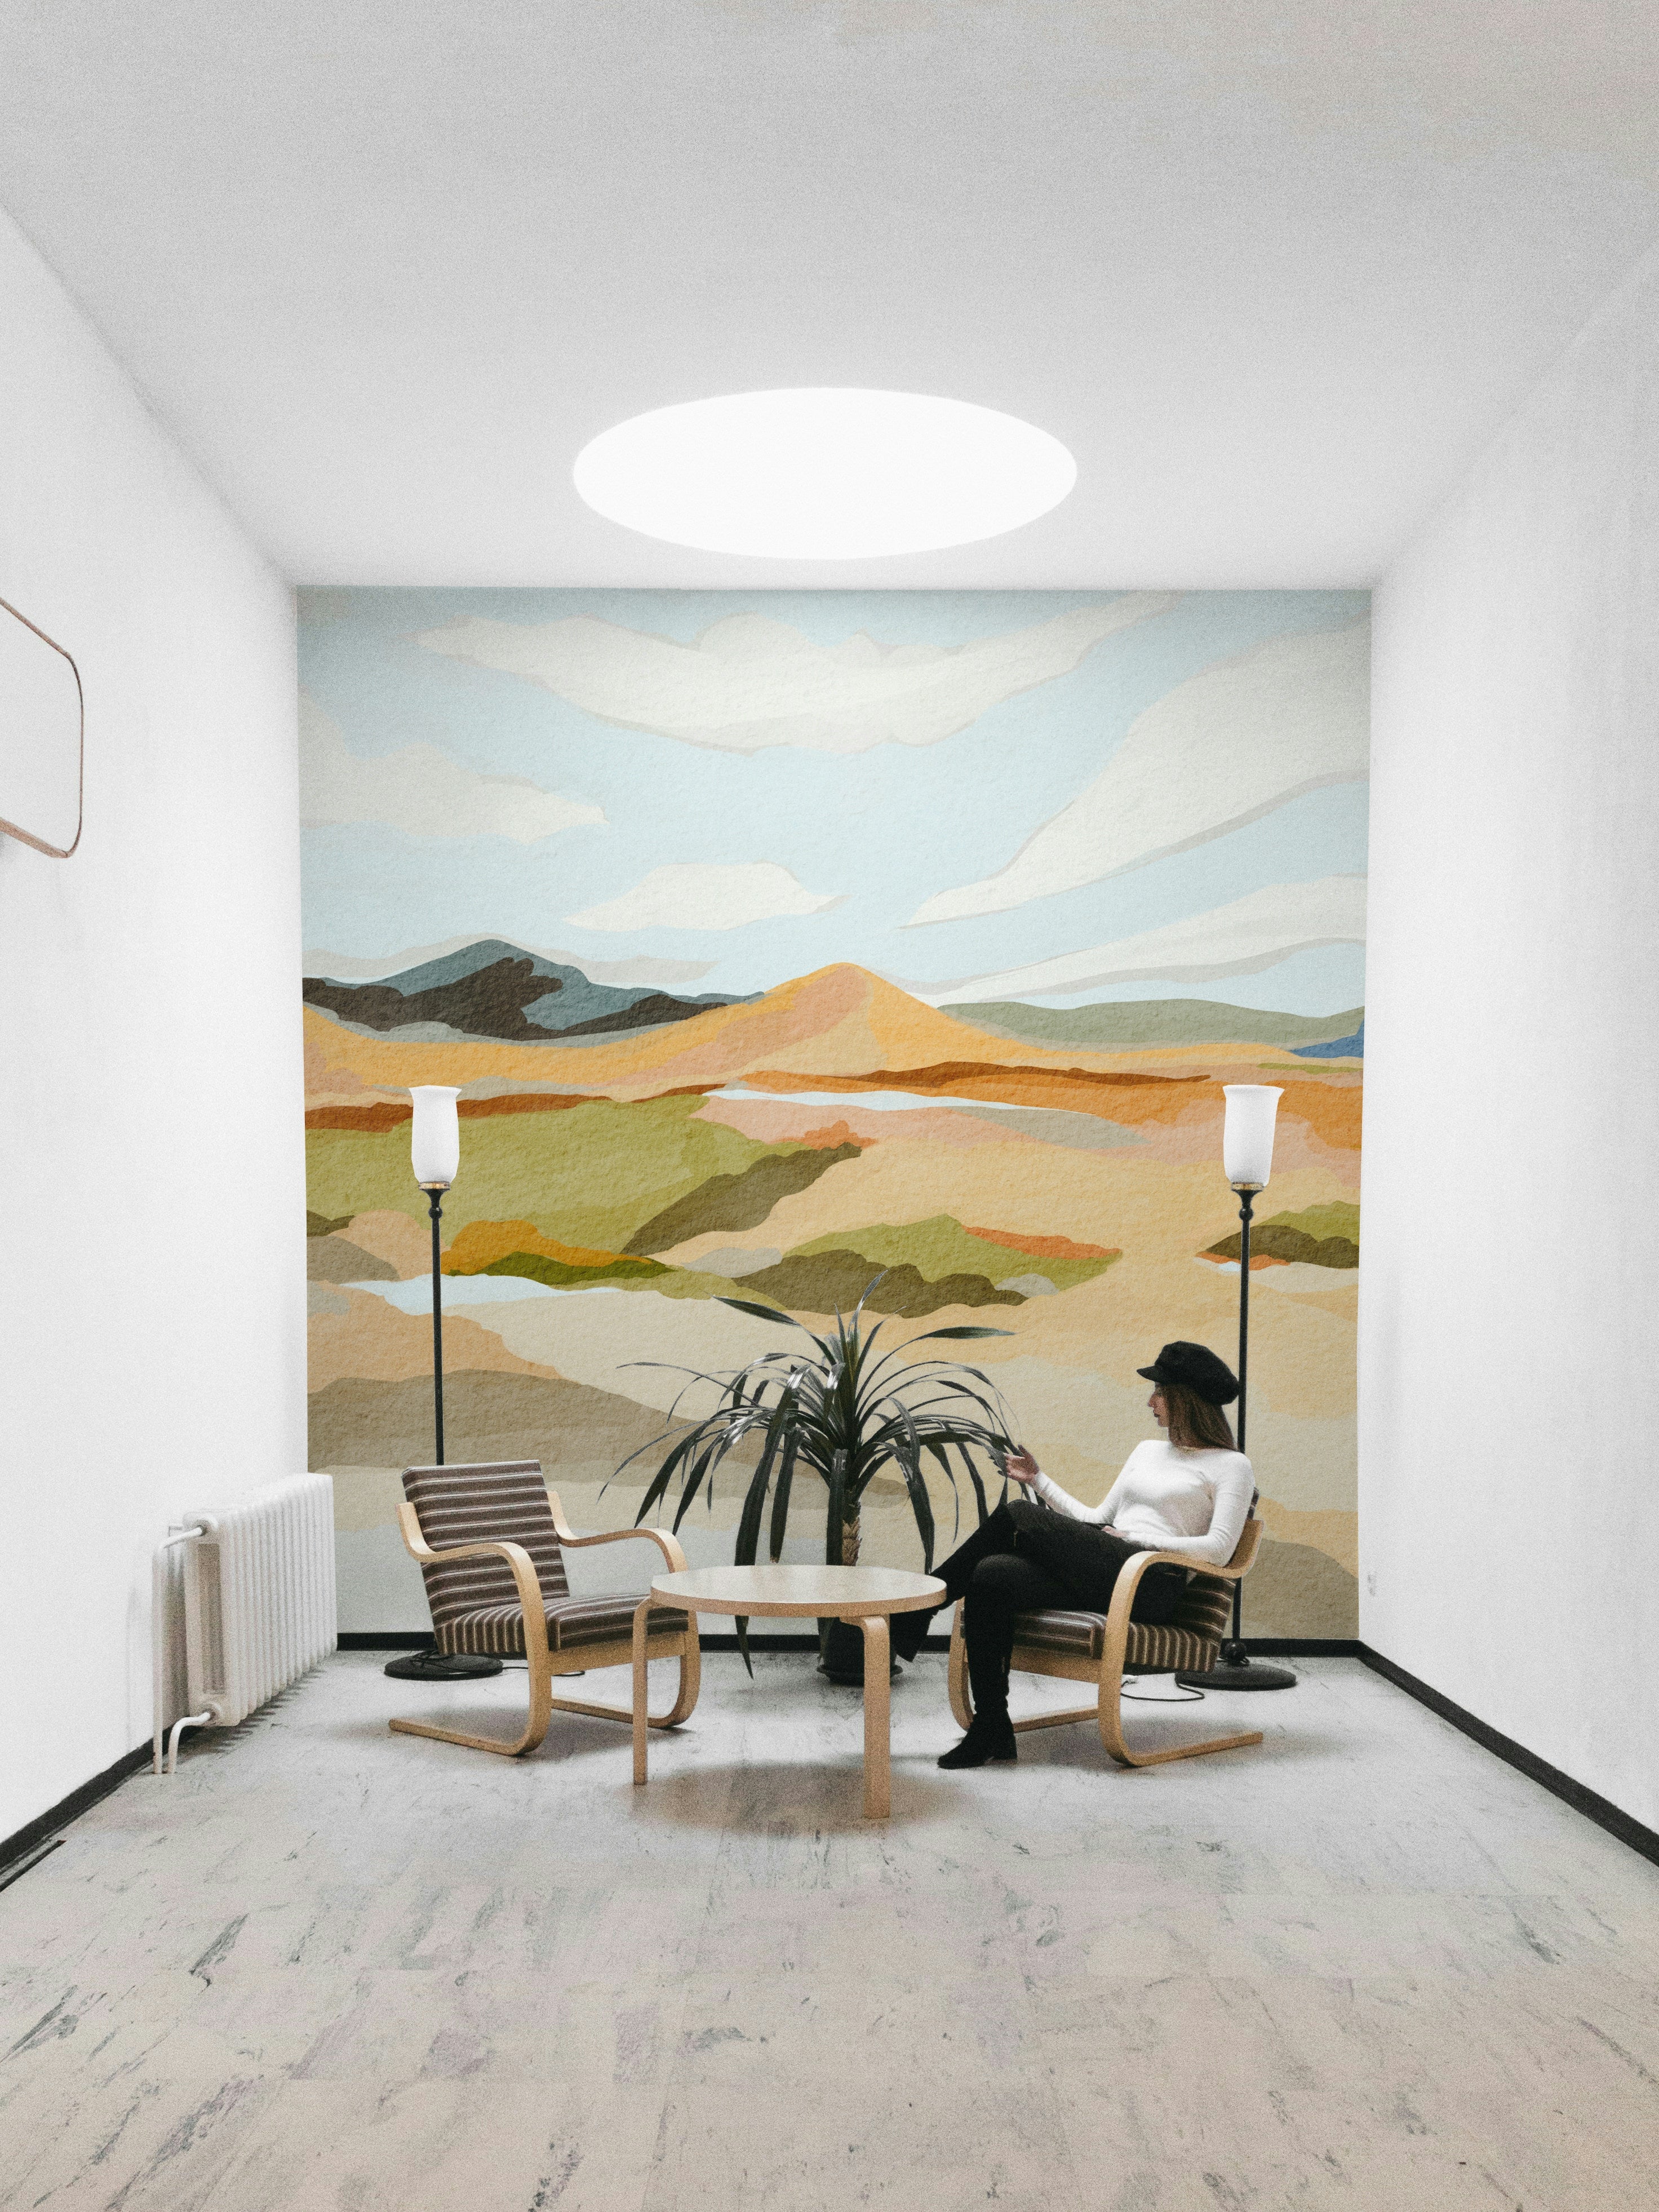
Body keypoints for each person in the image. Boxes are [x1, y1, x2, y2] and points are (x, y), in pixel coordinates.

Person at [893, 1341, 1255, 1769]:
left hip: (1150, 1583)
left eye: (1159, 1391)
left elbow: (1220, 1549)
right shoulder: (1147, 1451)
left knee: (1016, 1514)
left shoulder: (1232, 1466)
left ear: (1185, 1398)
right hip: (1108, 1567)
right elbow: (1095, 1518)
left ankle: (922, 1606)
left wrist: (1139, 1541)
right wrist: (1038, 1480)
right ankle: (991, 1726)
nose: (1150, 1401)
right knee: (992, 1573)